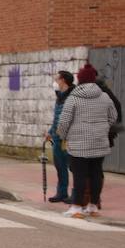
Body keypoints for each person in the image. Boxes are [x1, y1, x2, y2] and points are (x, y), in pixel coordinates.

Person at [57, 62, 119, 219]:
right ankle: (92, 206)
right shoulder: (104, 96)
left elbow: (64, 121)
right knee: (96, 173)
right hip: (99, 142)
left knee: (79, 174)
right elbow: (113, 117)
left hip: (79, 143)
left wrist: (63, 136)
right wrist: (102, 128)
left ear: (80, 80)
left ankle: (77, 207)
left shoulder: (74, 98)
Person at [44, 71, 75, 203]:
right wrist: (50, 132)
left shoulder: (72, 96)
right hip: (57, 137)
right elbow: (57, 118)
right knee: (60, 166)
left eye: (57, 79)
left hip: (68, 137)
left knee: (73, 167)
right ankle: (61, 192)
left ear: (63, 80)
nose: (55, 81)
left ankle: (76, 194)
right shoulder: (59, 96)